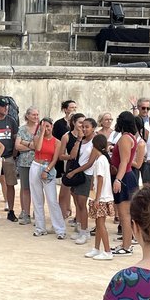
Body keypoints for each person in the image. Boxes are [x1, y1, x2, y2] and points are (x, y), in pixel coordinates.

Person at [110, 111, 145, 256]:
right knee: (125, 214)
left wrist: (118, 179)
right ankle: (126, 243)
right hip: (127, 176)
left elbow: (124, 162)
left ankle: (127, 246)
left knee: (124, 215)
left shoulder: (125, 138)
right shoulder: (130, 137)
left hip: (124, 177)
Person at [28, 117, 65, 239]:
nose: (47, 129)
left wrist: (47, 170)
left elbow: (55, 159)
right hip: (36, 165)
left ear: (52, 126)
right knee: (37, 199)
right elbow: (38, 148)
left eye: (48, 126)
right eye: (44, 126)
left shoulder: (57, 142)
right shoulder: (37, 138)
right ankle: (40, 227)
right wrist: (42, 131)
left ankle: (60, 229)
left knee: (52, 200)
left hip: (48, 167)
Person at [66, 117, 98, 246]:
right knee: (78, 204)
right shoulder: (82, 141)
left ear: (93, 128)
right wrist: (78, 140)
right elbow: (73, 155)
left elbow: (90, 163)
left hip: (87, 175)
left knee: (82, 203)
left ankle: (85, 232)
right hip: (79, 174)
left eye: (87, 127)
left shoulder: (96, 142)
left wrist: (74, 172)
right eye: (83, 126)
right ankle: (81, 229)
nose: (84, 129)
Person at [0, 98, 20, 223]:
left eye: (6, 106)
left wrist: (13, 156)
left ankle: (11, 210)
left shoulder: (11, 121)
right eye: (2, 106)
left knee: (10, 184)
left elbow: (15, 138)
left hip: (8, 157)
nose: (5, 108)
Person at [85, 134, 114, 260]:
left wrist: (97, 198)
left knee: (101, 224)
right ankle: (97, 248)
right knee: (98, 223)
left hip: (101, 197)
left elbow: (100, 179)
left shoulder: (101, 160)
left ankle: (107, 251)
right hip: (100, 196)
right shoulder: (101, 159)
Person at [13, 108, 40, 226]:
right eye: (33, 114)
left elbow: (41, 146)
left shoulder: (41, 128)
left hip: (38, 162)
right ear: (27, 116)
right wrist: (32, 146)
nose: (36, 117)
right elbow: (17, 146)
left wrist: (25, 143)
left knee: (38, 189)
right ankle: (26, 213)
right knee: (25, 189)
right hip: (24, 163)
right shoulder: (22, 129)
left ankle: (38, 214)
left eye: (37, 114)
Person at [53, 100, 78, 220]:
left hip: (79, 163)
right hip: (65, 160)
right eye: (71, 107)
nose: (74, 109)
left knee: (76, 192)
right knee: (65, 189)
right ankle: (65, 210)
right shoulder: (59, 124)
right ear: (65, 109)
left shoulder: (82, 127)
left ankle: (74, 214)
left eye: (75, 107)